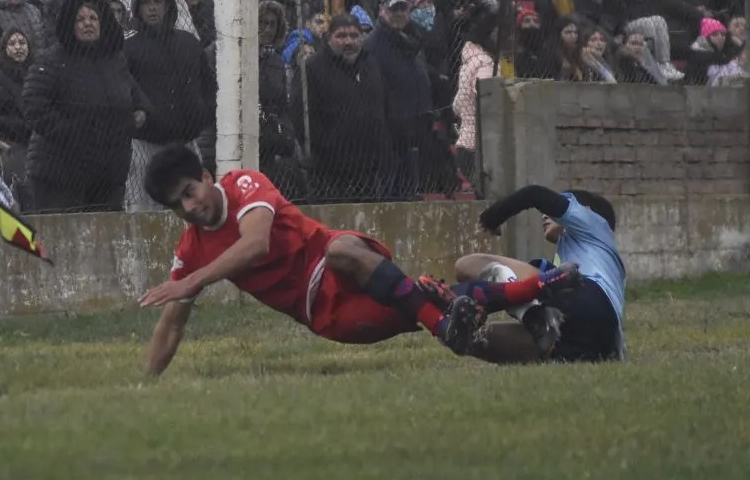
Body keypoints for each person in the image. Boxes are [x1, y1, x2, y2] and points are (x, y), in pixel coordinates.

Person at [137, 146, 578, 375]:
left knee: (340, 249)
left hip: (338, 258)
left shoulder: (243, 185)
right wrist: (145, 384)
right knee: (439, 305)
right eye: (178, 205)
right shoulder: (190, 250)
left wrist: (193, 281)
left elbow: (255, 244)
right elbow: (171, 325)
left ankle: (485, 311)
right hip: (326, 311)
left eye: (190, 192)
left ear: (206, 177)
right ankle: (540, 306)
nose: (190, 207)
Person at [456, 186, 626, 364]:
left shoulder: (595, 224)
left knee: (469, 265)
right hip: (595, 340)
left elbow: (534, 194)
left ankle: (532, 316)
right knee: (474, 339)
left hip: (585, 299)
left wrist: (492, 218)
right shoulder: (595, 263)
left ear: (586, 211)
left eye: (563, 202)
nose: (545, 215)